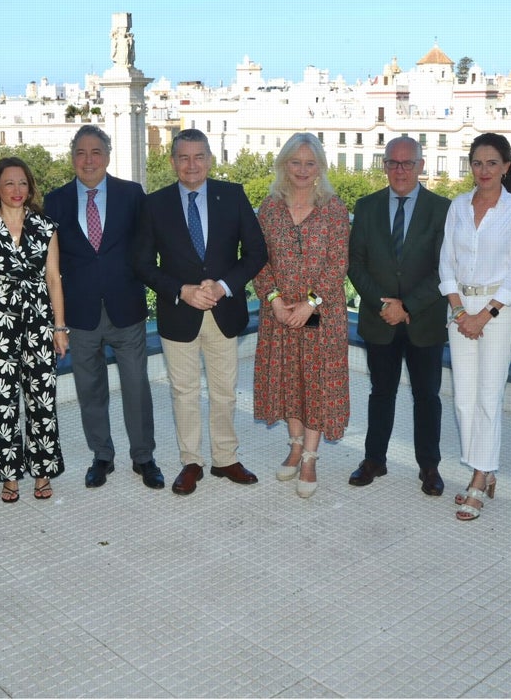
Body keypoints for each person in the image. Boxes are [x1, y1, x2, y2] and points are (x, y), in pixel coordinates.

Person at [134, 128, 268, 496]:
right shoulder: (154, 203)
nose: (191, 165)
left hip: (224, 311)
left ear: (210, 159)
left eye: (199, 157)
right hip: (179, 312)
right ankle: (191, 461)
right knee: (184, 392)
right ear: (173, 161)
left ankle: (225, 458)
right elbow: (143, 264)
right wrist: (182, 290)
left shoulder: (234, 195)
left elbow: (256, 253)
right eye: (183, 157)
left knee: (225, 391)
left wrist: (223, 287)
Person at [43, 125, 164, 490]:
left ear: (108, 156)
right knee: (89, 389)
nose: (89, 160)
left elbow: (146, 249)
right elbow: (51, 265)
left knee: (136, 387)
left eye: (96, 152)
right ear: (72, 158)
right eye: (81, 152)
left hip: (125, 309)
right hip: (79, 316)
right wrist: (57, 323)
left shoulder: (132, 194)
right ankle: (102, 457)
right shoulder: (56, 200)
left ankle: (143, 457)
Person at [347, 135, 450, 494]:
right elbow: (355, 264)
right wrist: (384, 304)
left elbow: (445, 268)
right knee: (381, 393)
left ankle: (430, 467)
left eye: (408, 163)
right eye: (393, 162)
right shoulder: (366, 206)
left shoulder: (443, 209)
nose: (400, 170)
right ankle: (374, 459)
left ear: (422, 166)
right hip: (380, 321)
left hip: (425, 320)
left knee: (427, 397)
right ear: (384, 165)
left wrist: (407, 306)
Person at [438, 133, 511, 520]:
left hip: (498, 309)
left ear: (507, 167)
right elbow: (446, 261)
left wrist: (485, 314)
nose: (484, 170)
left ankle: (479, 477)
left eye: (493, 163)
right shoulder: (458, 206)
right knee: (463, 397)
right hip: (460, 309)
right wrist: (461, 312)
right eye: (477, 163)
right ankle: (484, 468)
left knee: (488, 396)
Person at [254, 133, 351, 499]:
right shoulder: (269, 208)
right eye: (296, 162)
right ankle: (295, 444)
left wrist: (310, 303)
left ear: (320, 168)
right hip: (279, 311)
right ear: (283, 164)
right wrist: (275, 300)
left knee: (317, 381)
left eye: (310, 164)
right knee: (289, 377)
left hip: (320, 314)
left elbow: (337, 264)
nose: (302, 170)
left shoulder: (334, 208)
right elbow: (257, 259)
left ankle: (310, 456)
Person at [0, 157, 67, 502]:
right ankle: (10, 476)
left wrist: (59, 327)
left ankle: (42, 473)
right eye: (9, 183)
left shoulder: (46, 226)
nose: (16, 190)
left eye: (23, 183)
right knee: (2, 403)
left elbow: (54, 279)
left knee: (42, 400)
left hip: (40, 323)